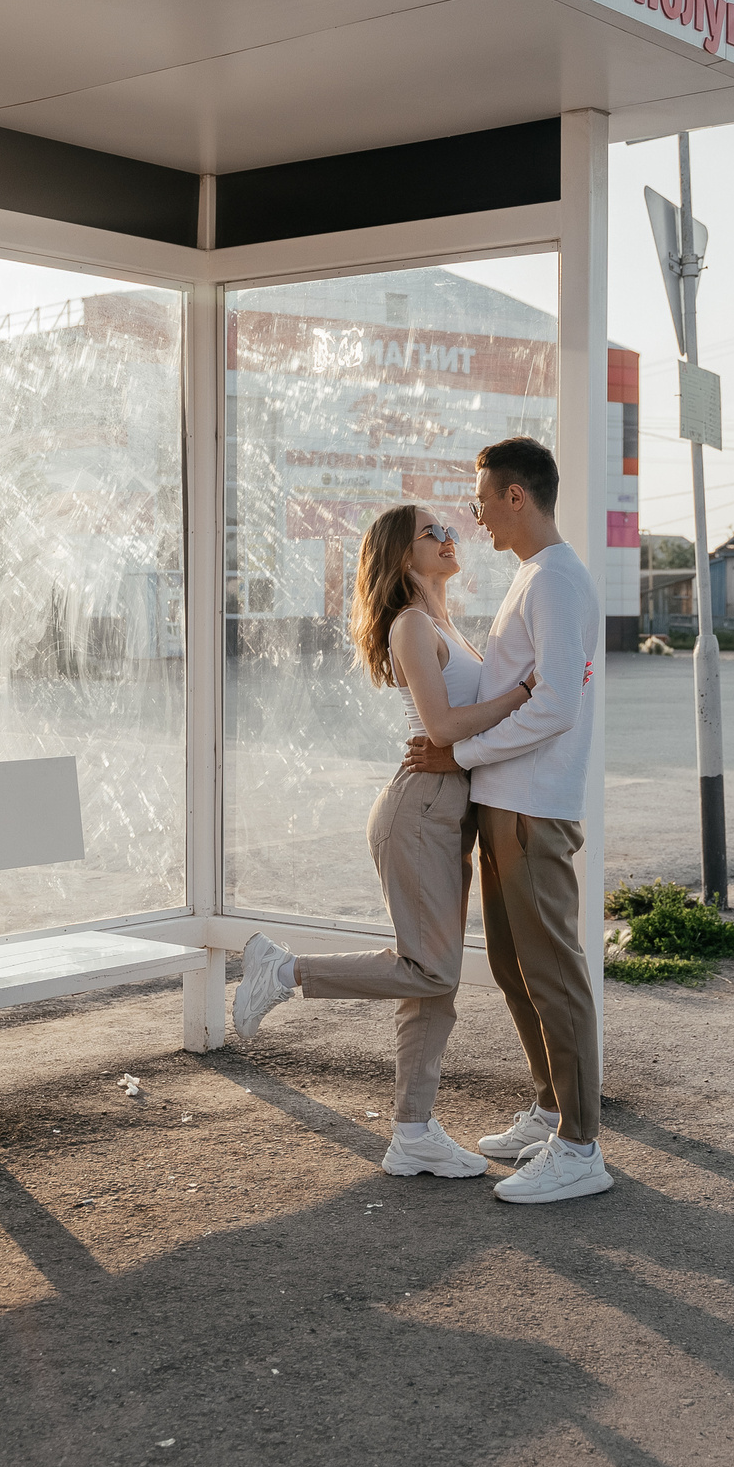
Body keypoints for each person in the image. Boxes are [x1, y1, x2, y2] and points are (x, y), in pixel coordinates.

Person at [229, 504, 533, 1178]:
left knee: (434, 984)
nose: (451, 537)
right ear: (401, 556)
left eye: (449, 528)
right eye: (433, 533)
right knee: (429, 968)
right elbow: (444, 724)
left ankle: (413, 1131)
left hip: (444, 811)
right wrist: (523, 694)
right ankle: (284, 970)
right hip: (419, 810)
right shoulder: (410, 624)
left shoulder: (443, 621)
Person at [403, 436, 609, 1204]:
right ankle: (552, 1106)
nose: (477, 513)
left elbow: (555, 701)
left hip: (533, 805)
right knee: (513, 968)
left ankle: (581, 1146)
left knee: (552, 970)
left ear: (516, 496)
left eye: (484, 497)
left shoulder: (557, 580)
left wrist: (462, 755)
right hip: (507, 799)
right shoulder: (536, 576)